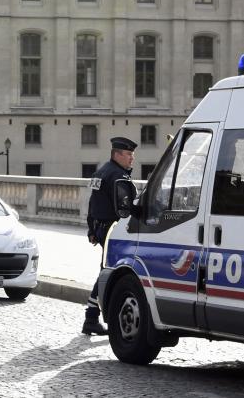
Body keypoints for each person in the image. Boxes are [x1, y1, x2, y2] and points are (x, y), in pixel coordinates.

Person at [82, 136, 137, 336]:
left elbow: (92, 203)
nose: (132, 158)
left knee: (106, 270)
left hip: (100, 227)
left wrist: (91, 229)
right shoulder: (118, 176)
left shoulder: (101, 172)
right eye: (129, 154)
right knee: (109, 271)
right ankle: (91, 317)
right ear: (117, 154)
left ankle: (92, 316)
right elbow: (128, 208)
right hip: (115, 230)